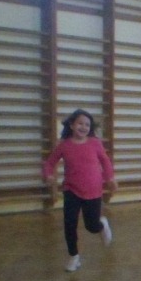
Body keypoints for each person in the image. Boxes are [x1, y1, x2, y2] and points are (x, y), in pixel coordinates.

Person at [42, 108, 117, 272]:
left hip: (93, 190)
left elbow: (105, 161)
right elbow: (49, 162)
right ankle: (73, 256)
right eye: (80, 123)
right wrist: (48, 175)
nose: (83, 127)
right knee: (69, 224)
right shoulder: (64, 145)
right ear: (71, 125)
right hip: (71, 190)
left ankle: (102, 225)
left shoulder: (95, 143)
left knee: (91, 226)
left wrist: (110, 178)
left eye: (87, 124)